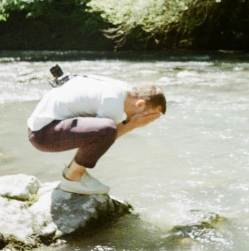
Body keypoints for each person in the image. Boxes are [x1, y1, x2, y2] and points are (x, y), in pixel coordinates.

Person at [27, 75, 166, 195]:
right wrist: (133, 124)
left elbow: (88, 135)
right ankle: (72, 178)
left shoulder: (120, 88)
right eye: (149, 115)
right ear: (140, 104)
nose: (149, 120)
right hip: (42, 135)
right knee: (107, 130)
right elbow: (103, 136)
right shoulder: (114, 104)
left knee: (102, 130)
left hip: (42, 125)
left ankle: (74, 171)